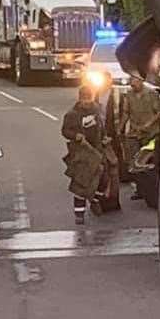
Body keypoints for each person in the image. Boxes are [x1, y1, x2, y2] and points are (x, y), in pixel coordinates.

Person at [61, 86, 120, 225]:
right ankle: (79, 214)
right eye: (85, 99)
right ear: (80, 98)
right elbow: (65, 131)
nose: (88, 102)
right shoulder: (72, 114)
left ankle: (95, 201)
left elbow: (102, 127)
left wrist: (105, 138)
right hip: (82, 153)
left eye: (90, 98)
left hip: (98, 150)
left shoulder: (96, 111)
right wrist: (76, 136)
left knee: (102, 179)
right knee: (81, 183)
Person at [120, 77, 160, 174]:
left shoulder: (152, 94)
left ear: (141, 81)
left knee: (149, 159)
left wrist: (148, 124)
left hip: (151, 134)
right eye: (131, 83)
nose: (133, 85)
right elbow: (126, 112)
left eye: (134, 83)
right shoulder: (129, 95)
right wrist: (120, 127)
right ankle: (136, 180)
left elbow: (159, 113)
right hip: (135, 132)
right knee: (134, 159)